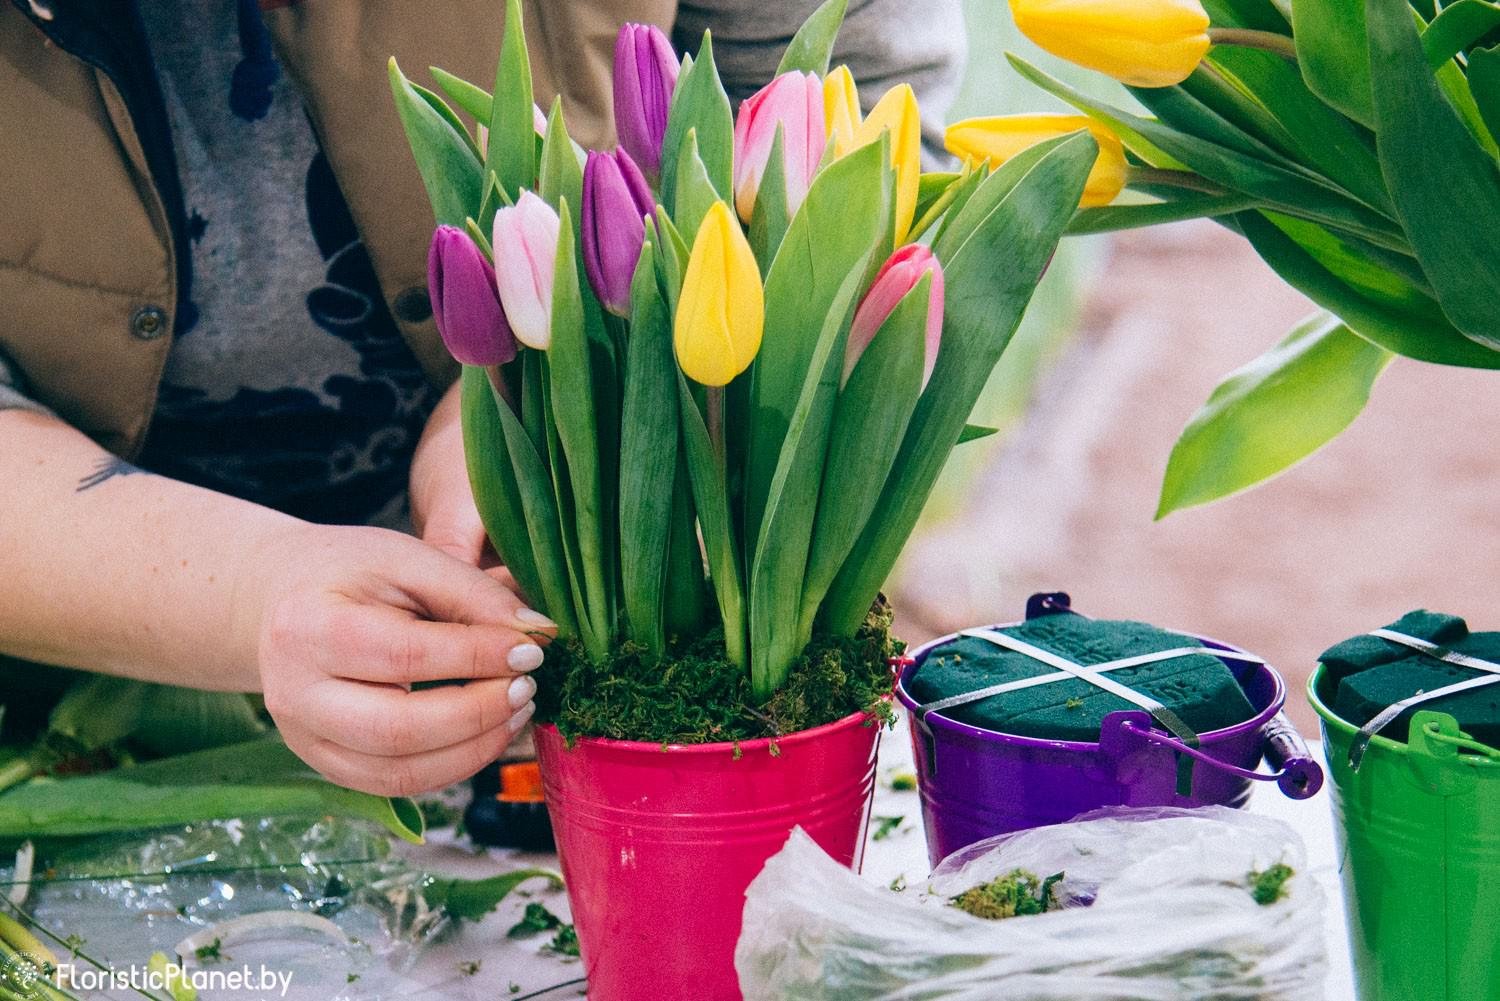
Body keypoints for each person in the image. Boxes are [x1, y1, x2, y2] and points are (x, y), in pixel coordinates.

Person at [0, 0, 963, 797]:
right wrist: (250, 592)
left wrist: (524, 414)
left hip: (600, 645)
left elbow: (838, 102)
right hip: (73, 696)